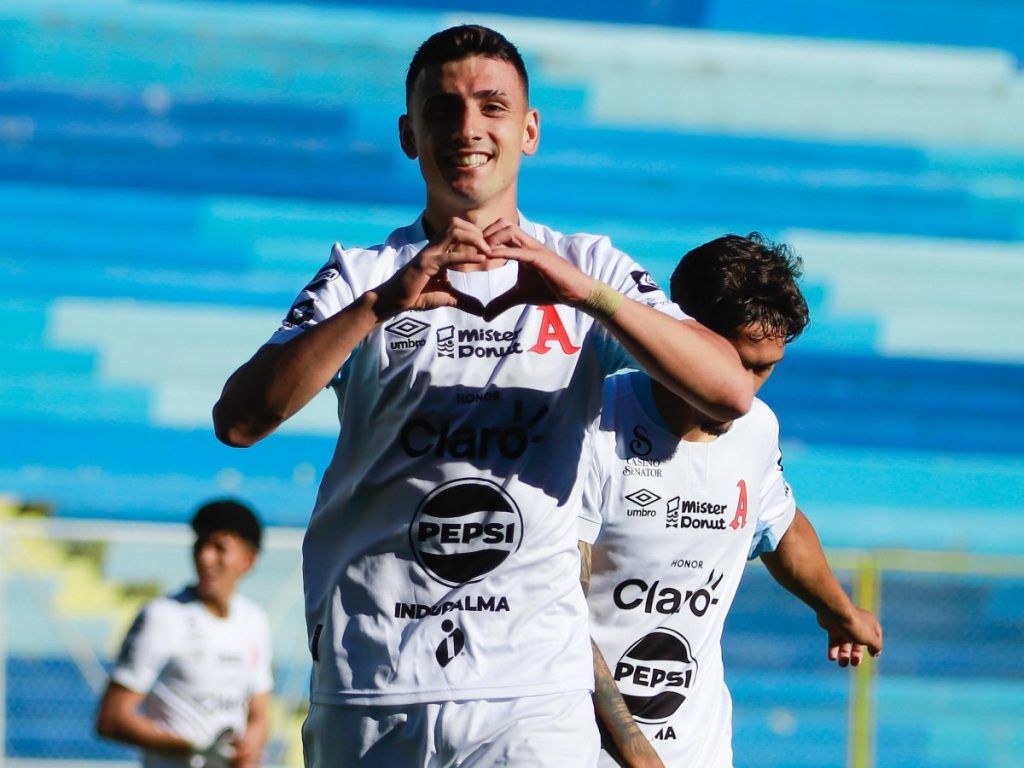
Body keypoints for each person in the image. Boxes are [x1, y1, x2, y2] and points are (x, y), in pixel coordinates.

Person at [212, 24, 753, 768]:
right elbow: (239, 421)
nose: (467, 128)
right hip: (373, 682)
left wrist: (589, 298)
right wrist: (379, 308)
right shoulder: (359, 276)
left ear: (528, 130)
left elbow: (728, 391)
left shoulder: (586, 266)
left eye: (491, 106)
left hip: (531, 695)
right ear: (410, 134)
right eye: (443, 110)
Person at [579, 233, 884, 768]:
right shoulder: (591, 424)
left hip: (700, 750)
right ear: (683, 335)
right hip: (578, 748)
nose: (745, 391)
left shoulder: (757, 430)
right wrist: (631, 746)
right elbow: (551, 603)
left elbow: (780, 527)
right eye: (737, 362)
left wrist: (839, 610)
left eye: (765, 369)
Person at [96, 499, 273, 768]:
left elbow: (259, 714)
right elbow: (112, 718)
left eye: (219, 547)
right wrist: (195, 747)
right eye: (200, 544)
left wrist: (249, 749)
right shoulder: (162, 616)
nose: (205, 557)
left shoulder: (255, 620)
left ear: (248, 560)